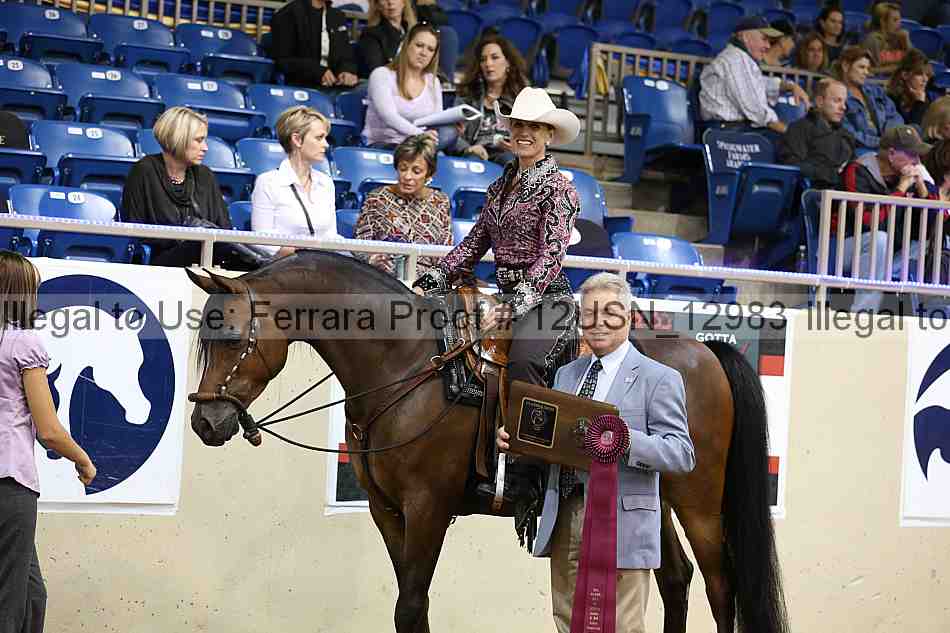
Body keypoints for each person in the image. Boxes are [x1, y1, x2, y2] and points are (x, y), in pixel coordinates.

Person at [496, 272, 695, 633]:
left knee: (621, 625)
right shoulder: (566, 375)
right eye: (589, 314)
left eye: (609, 313)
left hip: (622, 524)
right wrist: (517, 440)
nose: (598, 322)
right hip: (566, 514)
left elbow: (681, 454)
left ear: (628, 317)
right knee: (567, 620)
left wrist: (625, 439)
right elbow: (555, 439)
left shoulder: (659, 378)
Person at [412, 87, 582, 387]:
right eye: (518, 125)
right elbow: (474, 242)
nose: (524, 132)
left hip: (548, 302)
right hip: (504, 295)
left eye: (534, 126)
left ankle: (526, 420)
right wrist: (433, 277)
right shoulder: (497, 188)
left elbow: (552, 255)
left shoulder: (560, 189)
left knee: (523, 362)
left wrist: (512, 306)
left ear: (549, 135)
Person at [0, 251, 96, 633]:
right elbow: (49, 430)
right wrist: (82, 459)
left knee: (32, 593)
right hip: (10, 485)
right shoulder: (23, 343)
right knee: (9, 603)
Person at [121, 107, 235, 267]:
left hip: (207, 258)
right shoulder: (144, 170)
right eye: (199, 140)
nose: (205, 147)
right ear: (178, 139)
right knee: (198, 243)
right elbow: (133, 230)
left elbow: (225, 230)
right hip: (159, 261)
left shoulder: (205, 175)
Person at [840, 125, 936, 311]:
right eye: (912, 154)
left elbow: (932, 225)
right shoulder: (858, 170)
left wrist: (922, 188)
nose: (917, 161)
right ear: (891, 154)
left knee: (928, 243)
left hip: (886, 253)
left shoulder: (905, 177)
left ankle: (924, 312)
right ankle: (864, 314)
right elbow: (868, 222)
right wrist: (900, 190)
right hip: (845, 248)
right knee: (879, 239)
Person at [354, 134, 452, 276]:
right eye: (403, 168)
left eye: (416, 171)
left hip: (427, 281)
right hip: (385, 279)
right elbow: (359, 245)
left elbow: (445, 254)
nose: (407, 176)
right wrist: (372, 259)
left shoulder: (441, 201)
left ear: (429, 173)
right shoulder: (378, 198)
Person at [699, 16, 811, 138]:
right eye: (764, 39)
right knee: (791, 142)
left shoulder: (742, 58)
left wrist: (791, 86)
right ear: (745, 37)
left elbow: (760, 83)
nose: (768, 46)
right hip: (724, 133)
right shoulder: (734, 59)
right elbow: (756, 109)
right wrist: (788, 132)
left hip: (735, 129)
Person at [251, 106, 340, 258]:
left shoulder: (326, 183)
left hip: (321, 264)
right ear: (297, 140)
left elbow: (331, 236)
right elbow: (261, 240)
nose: (326, 144)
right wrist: (303, 254)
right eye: (319, 138)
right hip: (282, 266)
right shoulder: (268, 182)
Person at [363, 22, 453, 150]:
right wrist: (420, 135)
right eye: (419, 45)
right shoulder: (382, 74)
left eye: (430, 49)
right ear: (406, 45)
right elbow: (388, 116)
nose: (424, 53)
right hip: (384, 144)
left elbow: (435, 121)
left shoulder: (434, 82)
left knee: (450, 132)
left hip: (419, 146)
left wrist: (450, 122)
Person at [448, 33, 528, 165]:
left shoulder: (522, 98)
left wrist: (519, 146)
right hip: (475, 153)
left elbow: (535, 136)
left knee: (511, 162)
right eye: (483, 59)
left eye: (494, 57)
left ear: (508, 62)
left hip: (507, 155)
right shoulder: (467, 95)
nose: (488, 64)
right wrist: (467, 148)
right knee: (473, 162)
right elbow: (451, 133)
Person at [778, 78, 856, 189]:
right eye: (837, 101)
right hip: (814, 192)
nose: (843, 107)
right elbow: (792, 165)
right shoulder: (799, 129)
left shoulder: (846, 135)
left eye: (844, 102)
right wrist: (830, 174)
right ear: (820, 101)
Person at [269, 0, 360, 90]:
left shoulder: (337, 16)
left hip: (335, 87)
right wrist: (317, 71)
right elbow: (282, 60)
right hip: (301, 88)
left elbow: (346, 55)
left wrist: (346, 71)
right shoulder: (288, 14)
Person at [834, 46, 904, 154]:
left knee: (914, 130)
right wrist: (880, 142)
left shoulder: (875, 90)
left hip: (886, 142)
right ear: (845, 66)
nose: (866, 72)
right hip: (862, 148)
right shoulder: (837, 95)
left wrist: (889, 136)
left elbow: (895, 115)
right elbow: (848, 132)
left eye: (867, 68)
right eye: (861, 67)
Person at [357, 0, 416, 78]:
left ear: (404, 2)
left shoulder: (413, 32)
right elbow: (377, 72)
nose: (390, 2)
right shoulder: (370, 35)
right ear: (377, 5)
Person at [886, 48, 933, 127]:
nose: (925, 79)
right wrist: (919, 103)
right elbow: (910, 131)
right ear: (905, 75)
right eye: (919, 74)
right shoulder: (891, 100)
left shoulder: (927, 98)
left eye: (927, 75)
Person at [863, 2, 911, 73]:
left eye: (899, 20)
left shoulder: (901, 37)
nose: (899, 24)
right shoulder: (873, 40)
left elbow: (916, 63)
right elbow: (869, 70)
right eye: (895, 20)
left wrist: (906, 42)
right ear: (883, 22)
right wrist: (896, 68)